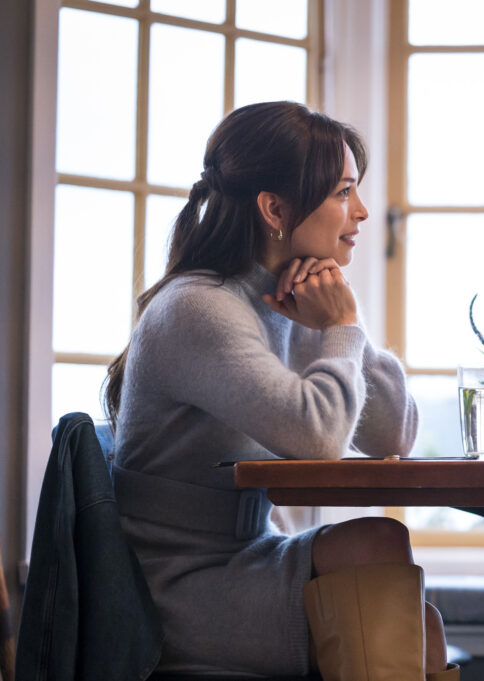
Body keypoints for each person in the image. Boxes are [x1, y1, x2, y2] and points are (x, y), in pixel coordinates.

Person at [105, 101, 459, 681]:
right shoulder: (199, 308)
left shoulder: (289, 299)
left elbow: (394, 431)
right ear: (274, 208)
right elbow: (318, 439)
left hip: (246, 552)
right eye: (344, 192)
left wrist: (340, 323)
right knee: (384, 564)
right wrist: (341, 329)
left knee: (405, 586)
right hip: (175, 588)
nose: (363, 211)